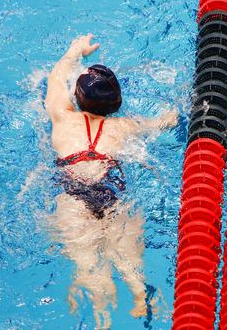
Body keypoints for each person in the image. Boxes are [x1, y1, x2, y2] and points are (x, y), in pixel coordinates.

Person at [45, 34, 177, 329]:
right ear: (117, 103)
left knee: (88, 267)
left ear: (77, 99)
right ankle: (142, 296)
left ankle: (102, 317)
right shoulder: (126, 126)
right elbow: (164, 123)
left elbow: (55, 80)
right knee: (131, 264)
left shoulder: (63, 119)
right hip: (111, 191)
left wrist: (74, 50)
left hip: (73, 193)